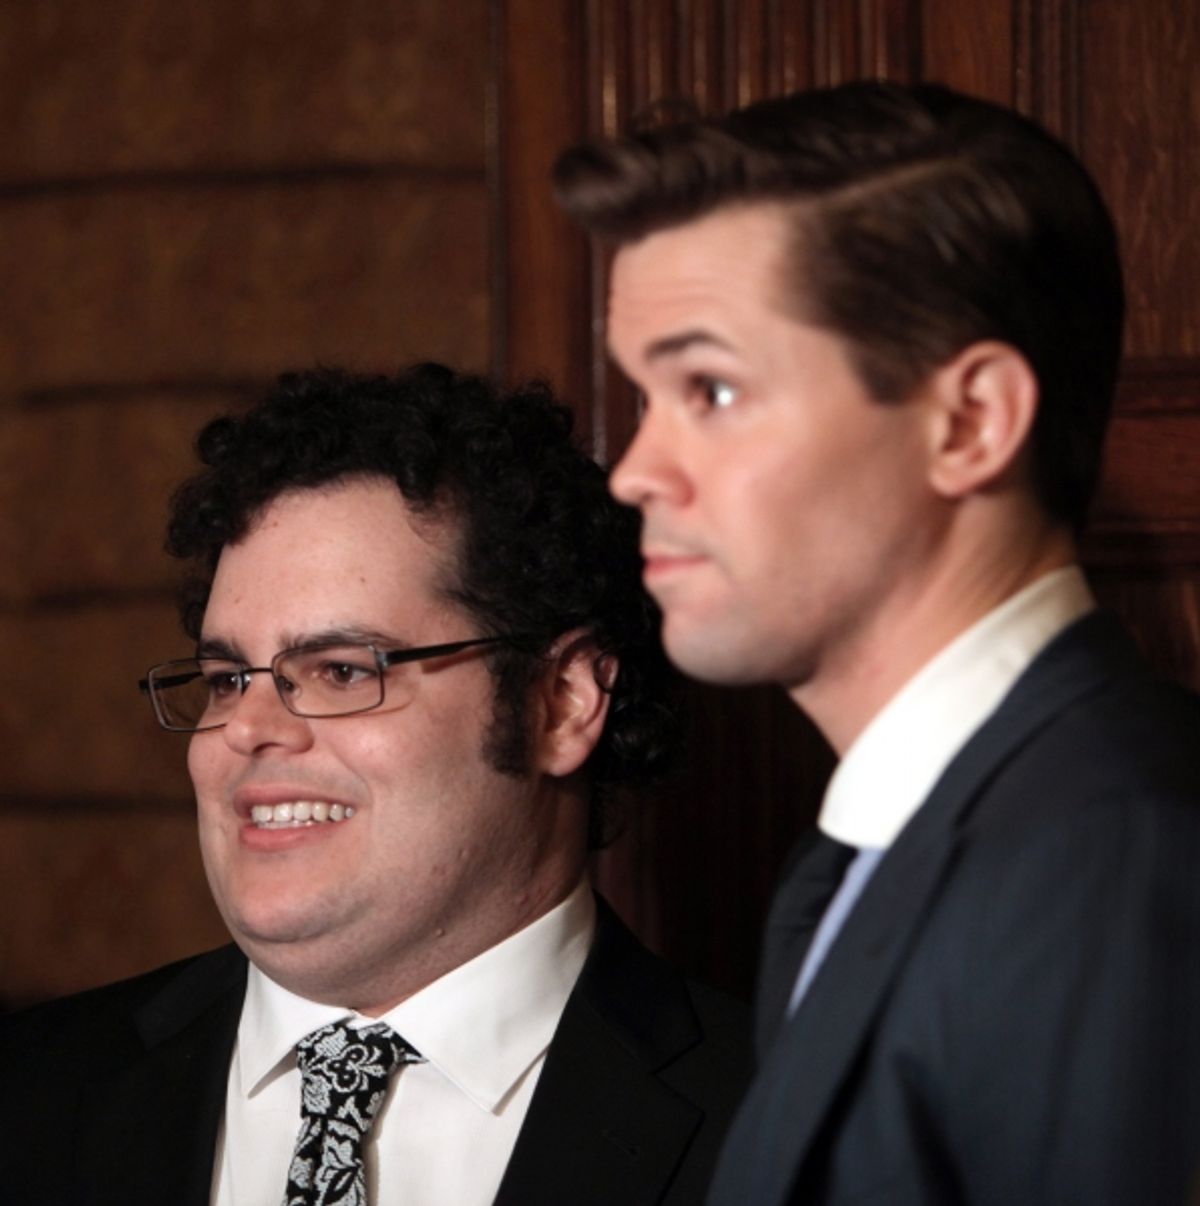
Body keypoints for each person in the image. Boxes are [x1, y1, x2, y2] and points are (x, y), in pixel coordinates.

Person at [554, 81, 1200, 1204]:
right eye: (642, 396)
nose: (636, 472)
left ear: (969, 423)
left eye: (709, 388)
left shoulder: (1110, 852)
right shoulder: (883, 846)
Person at [0, 364, 748, 1206]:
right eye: (223, 678)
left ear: (562, 703)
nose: (246, 729)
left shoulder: (798, 1129)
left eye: (342, 671)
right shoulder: (30, 1094)